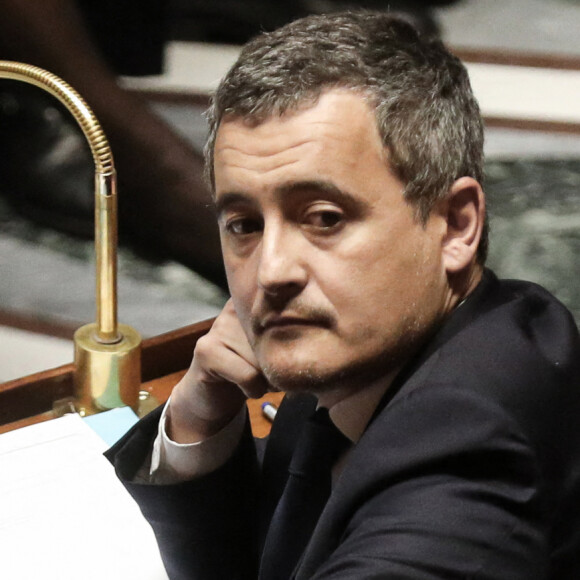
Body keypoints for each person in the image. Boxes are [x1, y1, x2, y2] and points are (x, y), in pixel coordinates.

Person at [106, 11, 580, 579]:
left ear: (455, 226)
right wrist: (199, 421)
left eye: (324, 218)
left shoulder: (468, 449)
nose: (273, 271)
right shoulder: (366, 349)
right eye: (244, 224)